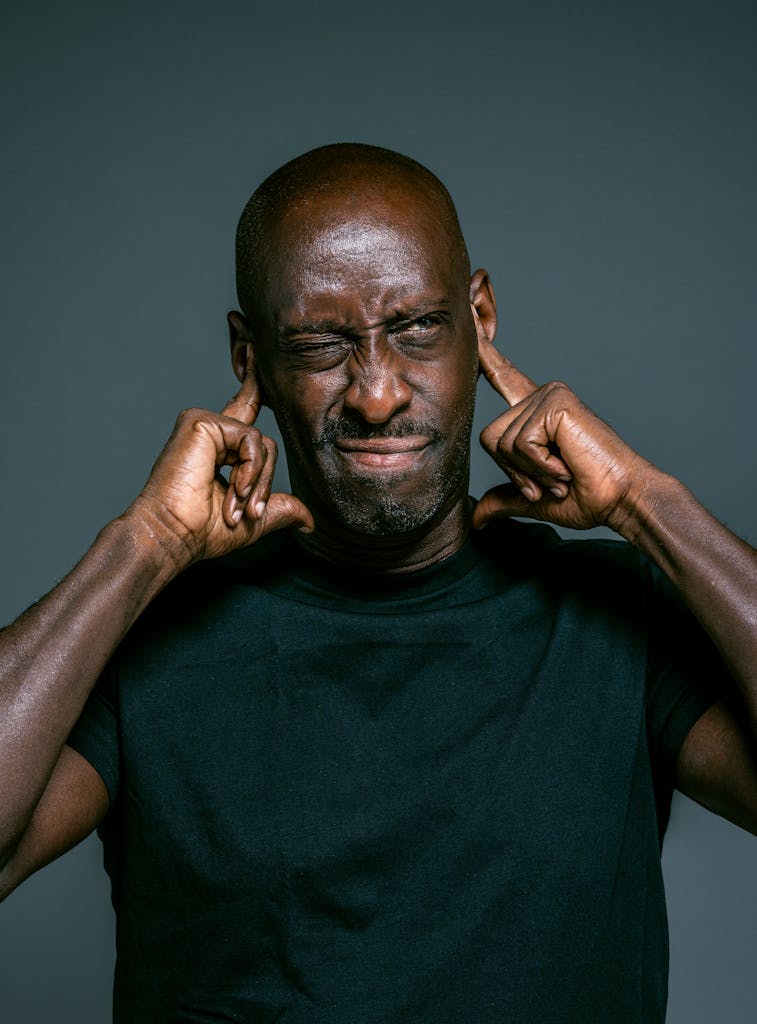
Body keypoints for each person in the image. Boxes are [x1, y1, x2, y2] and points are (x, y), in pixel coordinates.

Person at [0, 143, 754, 1023]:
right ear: (251, 361)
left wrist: (646, 502)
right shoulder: (145, 636)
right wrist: (143, 545)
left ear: (480, 316)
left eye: (417, 328)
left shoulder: (620, 616)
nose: (375, 393)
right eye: (320, 344)